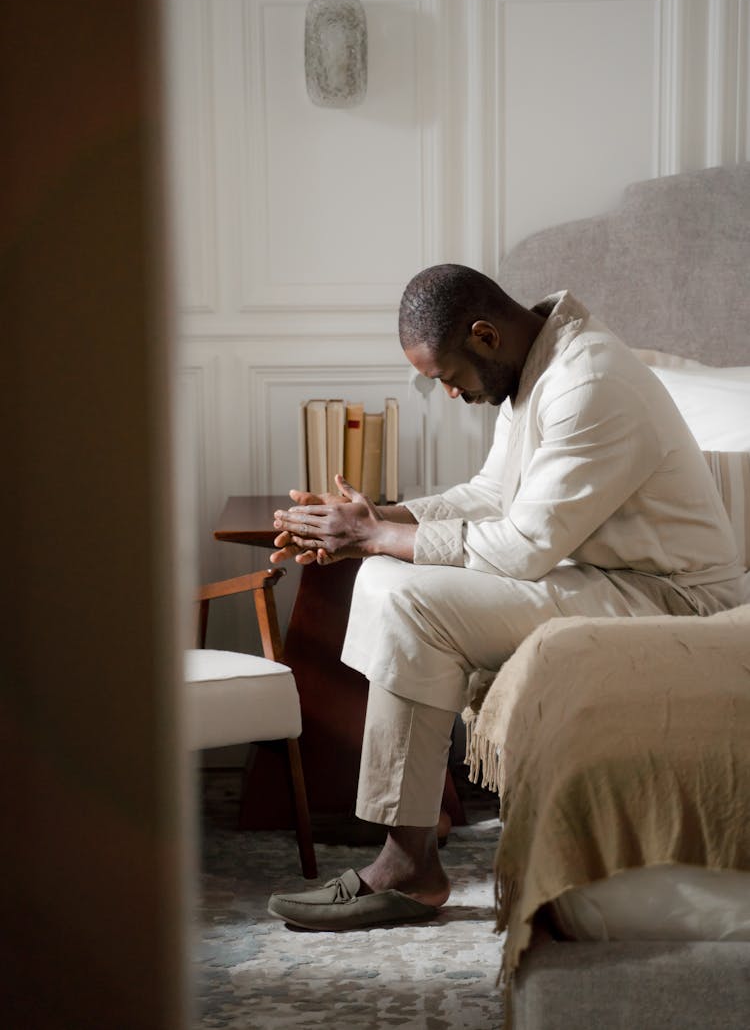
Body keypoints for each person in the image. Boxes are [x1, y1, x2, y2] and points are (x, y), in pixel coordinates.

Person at [266, 264, 743, 932]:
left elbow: (522, 547)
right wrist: (378, 519)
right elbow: (492, 497)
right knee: (380, 576)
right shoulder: (534, 368)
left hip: (673, 597)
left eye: (445, 376)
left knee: (411, 602)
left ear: (484, 335)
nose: (450, 395)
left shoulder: (588, 381)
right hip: (605, 576)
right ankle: (410, 854)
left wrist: (374, 533)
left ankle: (407, 867)